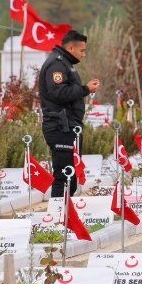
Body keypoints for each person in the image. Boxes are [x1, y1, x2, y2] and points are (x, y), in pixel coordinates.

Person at [38, 30, 100, 197]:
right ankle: (57, 219)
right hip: (60, 127)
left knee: (70, 179)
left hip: (68, 126)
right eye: (82, 50)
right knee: (64, 177)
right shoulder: (57, 64)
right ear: (71, 48)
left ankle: (64, 217)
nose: (84, 54)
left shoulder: (65, 63)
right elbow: (58, 93)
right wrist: (85, 89)